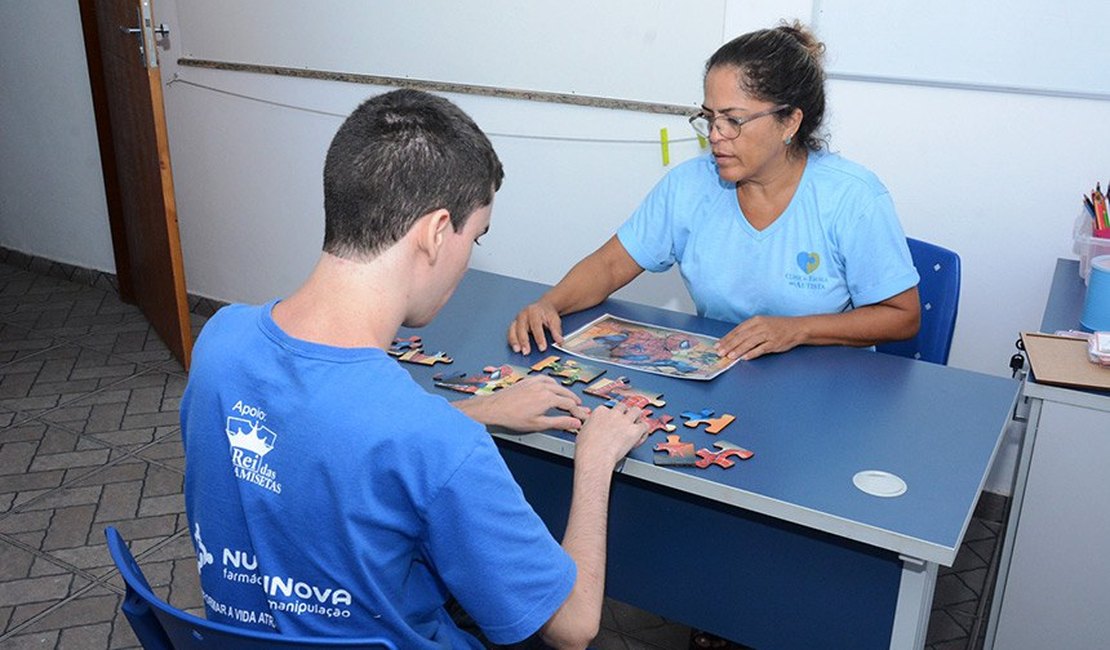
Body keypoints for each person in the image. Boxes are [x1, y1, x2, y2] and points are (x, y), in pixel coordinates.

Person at [181, 89, 650, 650]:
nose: (470, 256)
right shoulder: (436, 443)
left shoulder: (219, 341)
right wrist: (595, 460)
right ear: (433, 233)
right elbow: (572, 626)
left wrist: (471, 410)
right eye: (475, 237)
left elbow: (325, 432)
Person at [508, 22, 921, 363]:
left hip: (825, 385)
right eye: (709, 118)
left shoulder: (853, 198)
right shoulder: (690, 185)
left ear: (790, 122)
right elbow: (611, 265)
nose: (716, 136)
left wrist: (797, 329)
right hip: (725, 375)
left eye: (733, 120)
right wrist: (551, 304)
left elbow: (901, 317)